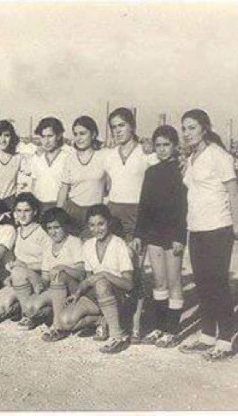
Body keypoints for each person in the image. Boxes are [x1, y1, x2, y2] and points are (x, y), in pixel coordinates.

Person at [179, 109, 238, 361]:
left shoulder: (219, 155)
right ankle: (207, 336)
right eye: (184, 128)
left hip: (218, 228)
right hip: (196, 228)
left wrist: (237, 226)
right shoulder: (192, 157)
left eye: (192, 127)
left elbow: (233, 192)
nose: (187, 133)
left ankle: (225, 341)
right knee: (202, 283)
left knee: (217, 284)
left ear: (205, 128)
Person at [103, 107, 157, 342]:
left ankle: (135, 324)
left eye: (121, 125)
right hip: (114, 214)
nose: (117, 131)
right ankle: (111, 320)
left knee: (134, 270)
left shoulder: (146, 154)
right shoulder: (108, 155)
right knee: (114, 268)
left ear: (132, 126)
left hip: (138, 214)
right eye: (113, 127)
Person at [134, 125, 188, 348]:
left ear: (175, 146)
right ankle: (159, 327)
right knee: (159, 281)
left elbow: (183, 208)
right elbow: (144, 205)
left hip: (173, 232)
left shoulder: (182, 171)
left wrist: (179, 236)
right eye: (158, 145)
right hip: (153, 232)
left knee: (174, 281)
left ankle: (172, 331)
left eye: (167, 145)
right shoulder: (151, 172)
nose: (162, 149)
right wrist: (139, 234)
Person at [59, 205, 134, 354]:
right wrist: (77, 293)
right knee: (65, 321)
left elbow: (129, 285)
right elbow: (88, 280)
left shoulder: (119, 244)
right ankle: (101, 319)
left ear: (109, 223)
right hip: (96, 296)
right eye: (92, 225)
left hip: (118, 295)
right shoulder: (88, 245)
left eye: (101, 224)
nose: (97, 229)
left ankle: (117, 336)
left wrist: (105, 274)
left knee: (101, 283)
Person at [23, 208, 86, 342]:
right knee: (30, 307)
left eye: (57, 227)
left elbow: (82, 274)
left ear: (65, 226)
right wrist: (38, 283)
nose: (53, 232)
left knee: (59, 275)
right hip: (55, 289)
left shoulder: (74, 242)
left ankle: (58, 327)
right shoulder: (48, 246)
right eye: (49, 228)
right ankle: (52, 314)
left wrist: (64, 268)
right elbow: (46, 277)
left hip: (74, 289)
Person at [0, 192, 50, 329]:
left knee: (19, 273)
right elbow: (15, 258)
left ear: (35, 212)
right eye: (19, 211)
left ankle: (29, 315)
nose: (22, 215)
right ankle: (21, 307)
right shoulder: (17, 231)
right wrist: (11, 271)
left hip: (39, 278)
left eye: (27, 210)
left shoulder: (42, 232)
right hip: (20, 279)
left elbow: (49, 263)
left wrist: (25, 266)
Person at [57, 116, 108, 237]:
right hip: (72, 211)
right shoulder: (69, 158)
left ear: (93, 134)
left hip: (94, 213)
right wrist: (58, 214)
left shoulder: (104, 156)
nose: (78, 138)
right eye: (75, 134)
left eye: (83, 133)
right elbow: (64, 189)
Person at [30, 117, 69, 212]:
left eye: (50, 136)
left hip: (58, 206)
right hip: (38, 206)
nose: (46, 141)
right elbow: (34, 184)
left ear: (59, 136)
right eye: (43, 136)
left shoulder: (67, 158)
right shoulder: (36, 158)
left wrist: (59, 209)